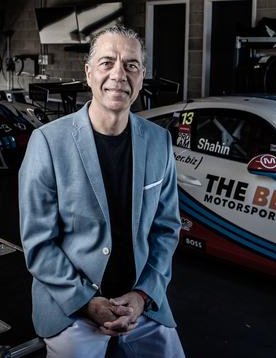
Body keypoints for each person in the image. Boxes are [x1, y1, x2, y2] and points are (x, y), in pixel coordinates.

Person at [19, 25, 185, 358]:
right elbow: (39, 243)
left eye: (131, 65)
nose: (119, 74)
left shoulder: (159, 141)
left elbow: (166, 231)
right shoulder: (49, 143)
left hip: (141, 302)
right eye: (107, 62)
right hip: (72, 304)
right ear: (89, 72)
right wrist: (86, 302)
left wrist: (143, 295)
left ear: (142, 76)